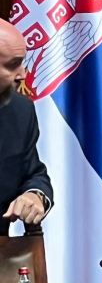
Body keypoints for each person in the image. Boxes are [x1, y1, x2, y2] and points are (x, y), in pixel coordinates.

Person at [0, 19, 52, 236]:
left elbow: (34, 172)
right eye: (13, 64)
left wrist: (34, 195)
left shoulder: (20, 111)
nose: (23, 74)